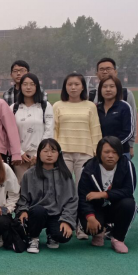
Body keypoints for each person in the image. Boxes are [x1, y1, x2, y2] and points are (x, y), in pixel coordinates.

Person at [53, 73, 101, 239]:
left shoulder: (90, 106)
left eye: (76, 84)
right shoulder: (58, 106)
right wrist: (54, 152)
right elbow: (54, 130)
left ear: (83, 87)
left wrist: (96, 153)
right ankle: (65, 222)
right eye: (69, 84)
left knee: (83, 190)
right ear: (65, 87)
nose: (73, 87)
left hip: (85, 153)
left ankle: (82, 225)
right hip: (63, 153)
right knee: (64, 190)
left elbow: (95, 129)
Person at [16, 138, 77, 254]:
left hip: (57, 214)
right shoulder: (29, 174)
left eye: (53, 151)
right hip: (36, 214)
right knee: (39, 211)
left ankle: (52, 235)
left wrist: (67, 220)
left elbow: (72, 200)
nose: (49, 154)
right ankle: (33, 238)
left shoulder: (65, 175)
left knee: (63, 236)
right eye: (45, 151)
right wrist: (23, 210)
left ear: (59, 154)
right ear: (39, 153)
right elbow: (23, 197)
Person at [78, 136, 137, 254]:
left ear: (120, 153)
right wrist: (90, 217)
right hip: (96, 207)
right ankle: (99, 232)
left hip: (116, 206)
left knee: (129, 203)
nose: (110, 155)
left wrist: (104, 194)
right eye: (107, 152)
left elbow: (128, 190)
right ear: (99, 152)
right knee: (90, 226)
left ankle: (118, 239)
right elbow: (83, 195)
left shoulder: (127, 165)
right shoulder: (89, 167)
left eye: (115, 152)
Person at [10, 73, 54, 183]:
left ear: (37, 87)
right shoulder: (13, 108)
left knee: (41, 187)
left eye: (32, 84)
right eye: (25, 84)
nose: (28, 87)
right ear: (20, 87)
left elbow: (49, 130)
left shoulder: (45, 106)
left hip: (40, 156)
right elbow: (9, 133)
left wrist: (39, 154)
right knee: (22, 187)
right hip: (20, 158)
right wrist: (19, 152)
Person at [89, 58, 137, 156]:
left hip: (120, 149)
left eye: (108, 69)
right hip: (98, 150)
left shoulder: (126, 94)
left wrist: (131, 145)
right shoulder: (91, 95)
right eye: (101, 69)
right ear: (97, 73)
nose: (105, 72)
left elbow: (132, 123)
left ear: (115, 71)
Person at [95, 75, 134, 155]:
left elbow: (128, 131)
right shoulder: (96, 108)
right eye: (104, 86)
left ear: (117, 89)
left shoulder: (124, 106)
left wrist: (113, 145)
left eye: (112, 86)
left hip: (120, 151)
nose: (108, 89)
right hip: (101, 152)